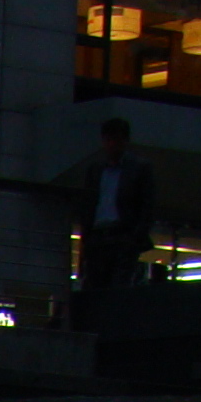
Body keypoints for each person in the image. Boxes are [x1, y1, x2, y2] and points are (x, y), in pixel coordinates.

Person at [76, 116, 156, 295]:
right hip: (101, 236)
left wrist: (134, 237)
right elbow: (88, 206)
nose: (112, 145)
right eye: (109, 140)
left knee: (115, 288)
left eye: (116, 140)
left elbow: (147, 206)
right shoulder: (96, 170)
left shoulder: (138, 169)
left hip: (120, 235)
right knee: (99, 287)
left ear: (125, 141)